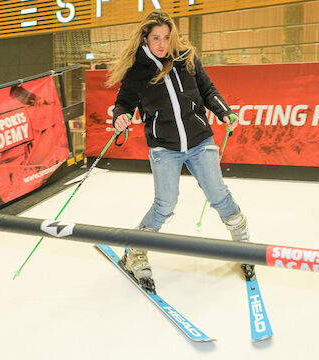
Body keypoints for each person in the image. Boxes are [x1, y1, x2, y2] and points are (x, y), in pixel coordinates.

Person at [105, 10, 252, 291]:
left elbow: (208, 90)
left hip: (200, 140)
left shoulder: (186, 59)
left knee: (219, 194)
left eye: (167, 37)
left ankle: (246, 246)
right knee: (165, 204)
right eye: (156, 38)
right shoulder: (138, 70)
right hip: (164, 146)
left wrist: (224, 113)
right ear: (145, 39)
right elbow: (124, 103)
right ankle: (135, 252)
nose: (162, 44)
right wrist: (120, 117)